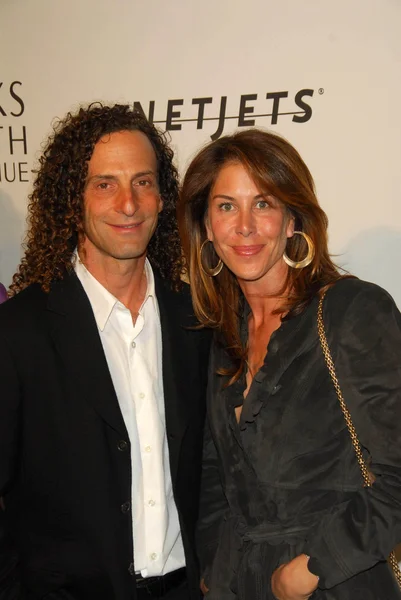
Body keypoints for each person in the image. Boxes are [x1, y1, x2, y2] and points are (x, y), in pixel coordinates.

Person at [178, 128, 401, 600]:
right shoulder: (222, 334)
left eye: (263, 203)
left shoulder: (352, 311)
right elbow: (217, 472)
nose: (244, 226)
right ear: (206, 227)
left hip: (337, 581)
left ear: (292, 219)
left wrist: (311, 568)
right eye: (225, 206)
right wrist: (211, 566)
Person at [0, 103, 211, 600]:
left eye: (143, 182)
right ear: (71, 201)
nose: (129, 204)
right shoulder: (18, 332)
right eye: (104, 184)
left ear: (162, 197)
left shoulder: (197, 319)